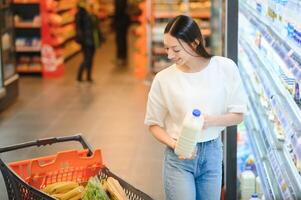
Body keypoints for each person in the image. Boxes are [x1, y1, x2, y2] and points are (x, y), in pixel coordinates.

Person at [144, 15, 247, 200]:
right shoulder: (163, 79)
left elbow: (239, 115)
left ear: (195, 43)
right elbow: (153, 124)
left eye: (176, 49)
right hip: (179, 157)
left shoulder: (224, 68)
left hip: (212, 153)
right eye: (167, 48)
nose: (169, 55)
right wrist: (175, 145)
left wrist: (210, 120)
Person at [75, 0, 104, 82]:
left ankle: (88, 76)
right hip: (86, 40)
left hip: (93, 40)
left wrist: (101, 37)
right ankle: (79, 76)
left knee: (91, 59)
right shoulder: (81, 13)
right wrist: (81, 39)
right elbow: (79, 28)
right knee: (87, 59)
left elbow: (96, 27)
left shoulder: (93, 14)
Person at [113, 0, 130, 66]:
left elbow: (119, 11)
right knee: (122, 40)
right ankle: (123, 58)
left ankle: (121, 58)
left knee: (120, 41)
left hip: (120, 22)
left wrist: (115, 22)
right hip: (123, 22)